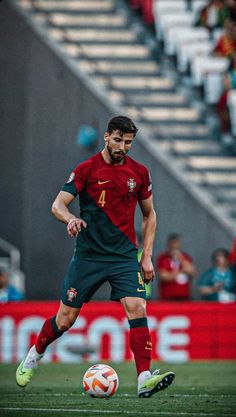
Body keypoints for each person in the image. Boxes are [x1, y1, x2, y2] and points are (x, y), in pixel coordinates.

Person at [16, 116, 175, 397]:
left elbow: (150, 215)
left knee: (138, 307)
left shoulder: (139, 172)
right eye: (118, 140)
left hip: (124, 257)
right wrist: (69, 219)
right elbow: (58, 204)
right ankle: (35, 354)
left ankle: (144, 378)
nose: (122, 147)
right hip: (89, 256)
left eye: (128, 142)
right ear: (106, 137)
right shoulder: (87, 169)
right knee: (65, 320)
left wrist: (147, 255)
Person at [156, 234, 196, 301]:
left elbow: (192, 272)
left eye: (176, 243)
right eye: (172, 243)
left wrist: (180, 258)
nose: (174, 246)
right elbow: (163, 276)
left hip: (185, 296)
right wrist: (181, 271)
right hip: (168, 297)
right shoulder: (162, 258)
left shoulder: (185, 257)